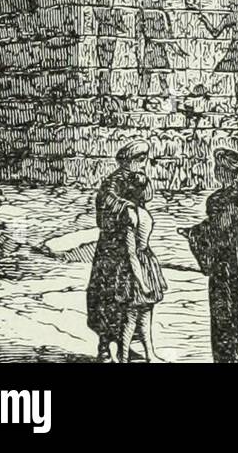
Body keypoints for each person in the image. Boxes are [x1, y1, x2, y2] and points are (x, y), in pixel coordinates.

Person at [186, 148, 238, 364]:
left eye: (217, 167)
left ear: (221, 171)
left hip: (227, 270)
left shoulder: (218, 200)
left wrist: (193, 234)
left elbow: (217, 233)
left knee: (229, 316)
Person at [87, 139, 152, 362]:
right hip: (112, 250)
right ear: (129, 161)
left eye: (145, 160)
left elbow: (146, 197)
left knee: (130, 300)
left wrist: (143, 185)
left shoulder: (136, 179)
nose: (145, 164)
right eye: (141, 160)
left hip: (130, 244)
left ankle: (125, 347)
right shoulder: (112, 181)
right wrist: (127, 208)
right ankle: (104, 348)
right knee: (107, 297)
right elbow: (107, 200)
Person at [116, 169, 167, 363]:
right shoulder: (130, 214)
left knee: (146, 313)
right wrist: (141, 282)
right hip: (134, 268)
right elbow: (131, 253)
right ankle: (124, 357)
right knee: (130, 317)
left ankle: (150, 354)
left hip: (146, 262)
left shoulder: (142, 211)